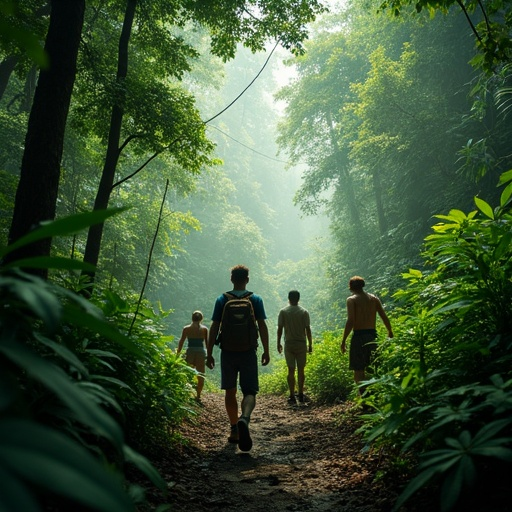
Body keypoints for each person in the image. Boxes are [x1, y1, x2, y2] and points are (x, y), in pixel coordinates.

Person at [206, 264, 270, 452]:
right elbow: (262, 326)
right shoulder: (255, 299)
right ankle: (245, 418)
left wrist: (209, 352)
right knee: (250, 391)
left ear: (232, 279)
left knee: (230, 391)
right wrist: (266, 350)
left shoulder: (222, 299)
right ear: (247, 280)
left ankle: (234, 429)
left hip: (228, 352)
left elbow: (214, 327)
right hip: (249, 351)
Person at [340, 276, 394, 395]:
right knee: (375, 366)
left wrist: (343, 340)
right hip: (372, 335)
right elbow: (383, 316)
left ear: (351, 287)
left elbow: (351, 321)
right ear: (363, 285)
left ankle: (364, 397)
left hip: (359, 336)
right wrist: (390, 331)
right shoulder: (373, 299)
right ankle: (378, 394)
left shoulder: (351, 300)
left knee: (358, 369)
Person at [277, 290, 313, 405]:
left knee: (291, 369)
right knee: (301, 369)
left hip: (289, 343)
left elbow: (280, 329)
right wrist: (310, 344)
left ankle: (292, 395)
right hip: (301, 343)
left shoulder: (283, 311)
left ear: (288, 298)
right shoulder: (304, 312)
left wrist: (278, 343)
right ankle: (301, 394)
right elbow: (307, 329)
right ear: (298, 298)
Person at [176, 311, 208, 402]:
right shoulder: (204, 329)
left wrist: (178, 354)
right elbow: (207, 343)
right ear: (201, 319)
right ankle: (198, 395)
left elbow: (181, 341)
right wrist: (209, 355)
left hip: (190, 351)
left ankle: (186, 392)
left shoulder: (186, 329)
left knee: (187, 373)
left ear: (192, 318)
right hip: (201, 352)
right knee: (201, 374)